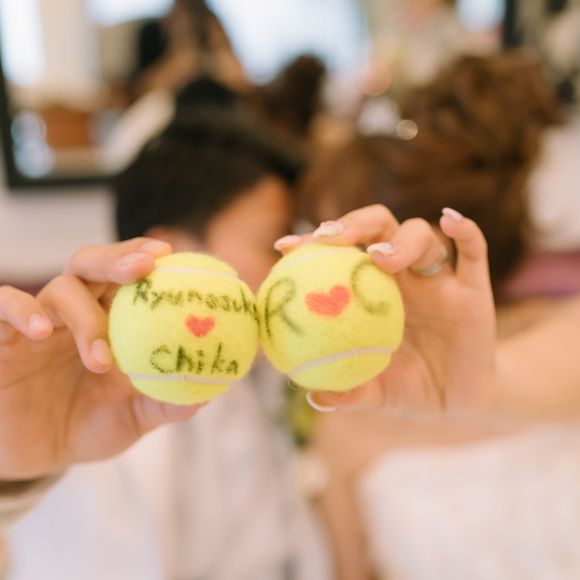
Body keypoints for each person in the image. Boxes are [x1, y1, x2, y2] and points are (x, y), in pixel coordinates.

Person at [0, 109, 332, 580]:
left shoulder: (281, 374)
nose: (291, 273)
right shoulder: (85, 397)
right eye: (271, 246)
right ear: (169, 255)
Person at [290, 53, 580, 579]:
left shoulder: (563, 331)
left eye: (341, 241)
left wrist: (482, 381)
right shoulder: (345, 420)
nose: (314, 268)